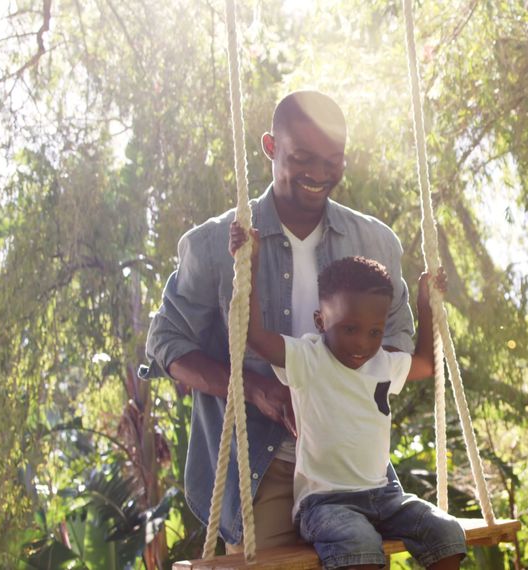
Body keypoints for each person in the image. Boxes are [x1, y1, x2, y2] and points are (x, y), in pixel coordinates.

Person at [144, 91, 414, 550]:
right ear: (270, 147)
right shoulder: (213, 244)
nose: (320, 175)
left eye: (334, 161)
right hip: (259, 464)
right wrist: (254, 388)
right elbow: (166, 343)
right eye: (302, 158)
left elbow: (399, 342)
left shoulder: (374, 242)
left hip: (351, 469)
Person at [230, 224, 465, 569]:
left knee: (445, 531)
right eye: (349, 329)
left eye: (374, 332)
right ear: (320, 322)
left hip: (385, 496)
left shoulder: (383, 363)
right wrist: (248, 264)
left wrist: (426, 303)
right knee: (358, 543)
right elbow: (255, 337)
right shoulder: (308, 358)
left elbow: (428, 363)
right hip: (325, 503)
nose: (362, 343)